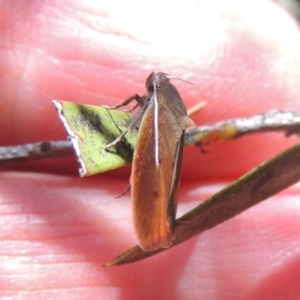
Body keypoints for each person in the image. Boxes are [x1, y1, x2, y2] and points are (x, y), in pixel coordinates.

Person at [1, 1, 300, 299]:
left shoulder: (158, 105)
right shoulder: (161, 103)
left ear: (153, 89)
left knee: (152, 157)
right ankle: (155, 218)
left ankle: (153, 217)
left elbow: (137, 117)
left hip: (154, 142)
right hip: (159, 128)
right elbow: (136, 105)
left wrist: (119, 140)